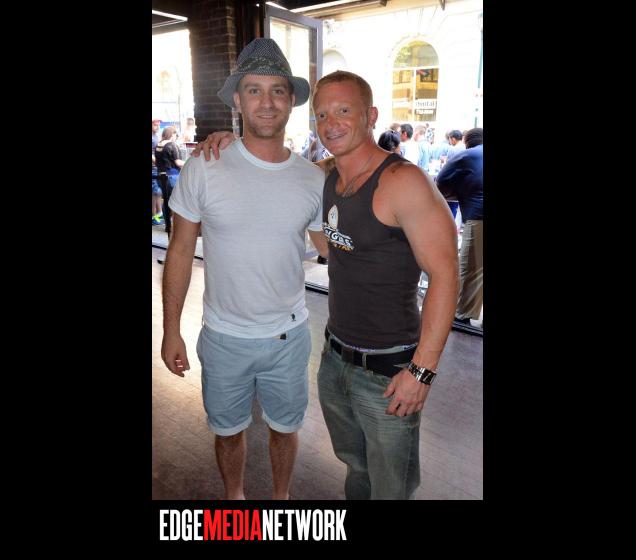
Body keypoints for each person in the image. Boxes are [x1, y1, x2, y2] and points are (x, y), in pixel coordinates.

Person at [195, 70, 459, 500]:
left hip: (390, 368)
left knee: (390, 487)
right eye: (321, 114)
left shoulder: (403, 182)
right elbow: (275, 165)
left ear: (370, 115)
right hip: (334, 358)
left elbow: (446, 276)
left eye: (344, 111)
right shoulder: (327, 179)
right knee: (355, 469)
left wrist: (421, 371)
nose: (331, 123)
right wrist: (231, 143)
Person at [161, 38, 328, 501]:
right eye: (254, 90)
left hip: (289, 337)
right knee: (227, 431)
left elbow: (331, 249)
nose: (266, 102)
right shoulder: (205, 166)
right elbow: (179, 251)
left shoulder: (313, 178)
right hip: (223, 337)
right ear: (237, 99)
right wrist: (170, 330)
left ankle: (280, 500)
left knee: (285, 429)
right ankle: (234, 498)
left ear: (291, 101)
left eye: (277, 90)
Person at [435, 127, 483, 328]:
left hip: (479, 216)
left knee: (472, 267)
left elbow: (440, 183)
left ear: (467, 141)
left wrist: (460, 193)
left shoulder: (466, 155)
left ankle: (461, 314)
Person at [155, 126, 185, 238]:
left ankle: (168, 226)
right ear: (172, 134)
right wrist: (189, 162)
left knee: (166, 201)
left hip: (160, 177)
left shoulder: (159, 145)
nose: (176, 137)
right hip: (172, 176)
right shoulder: (172, 145)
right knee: (177, 201)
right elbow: (178, 162)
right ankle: (177, 226)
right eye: (176, 135)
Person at [152, 119, 164, 225]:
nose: (158, 127)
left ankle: (159, 214)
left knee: (158, 191)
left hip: (156, 167)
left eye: (159, 125)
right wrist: (157, 162)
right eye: (155, 125)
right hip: (153, 167)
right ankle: (154, 216)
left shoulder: (156, 136)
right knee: (154, 192)